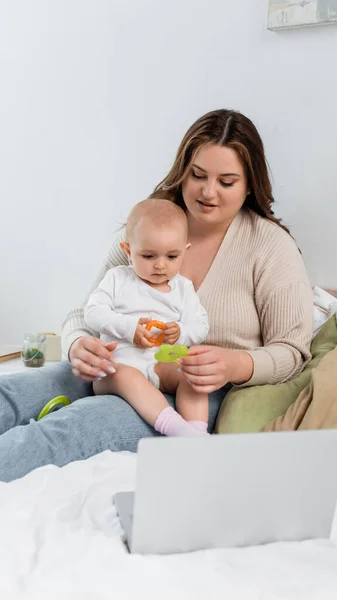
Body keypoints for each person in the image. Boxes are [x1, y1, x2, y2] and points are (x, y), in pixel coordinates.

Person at [0, 108, 314, 482]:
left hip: (191, 389)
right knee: (14, 391)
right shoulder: (149, 228)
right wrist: (78, 345)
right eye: (198, 175)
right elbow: (85, 314)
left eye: (226, 181)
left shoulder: (271, 247)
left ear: (249, 185)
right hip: (120, 363)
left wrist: (232, 365)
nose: (208, 191)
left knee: (71, 428)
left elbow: (293, 352)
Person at [84, 199, 210, 437]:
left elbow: (200, 325)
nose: (160, 265)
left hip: (161, 365)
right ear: (128, 251)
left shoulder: (184, 288)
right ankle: (177, 429)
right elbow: (92, 313)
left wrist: (181, 332)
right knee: (125, 375)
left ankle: (197, 432)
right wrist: (129, 328)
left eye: (172, 257)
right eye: (149, 256)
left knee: (192, 371)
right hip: (118, 366)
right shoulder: (117, 278)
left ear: (185, 251)